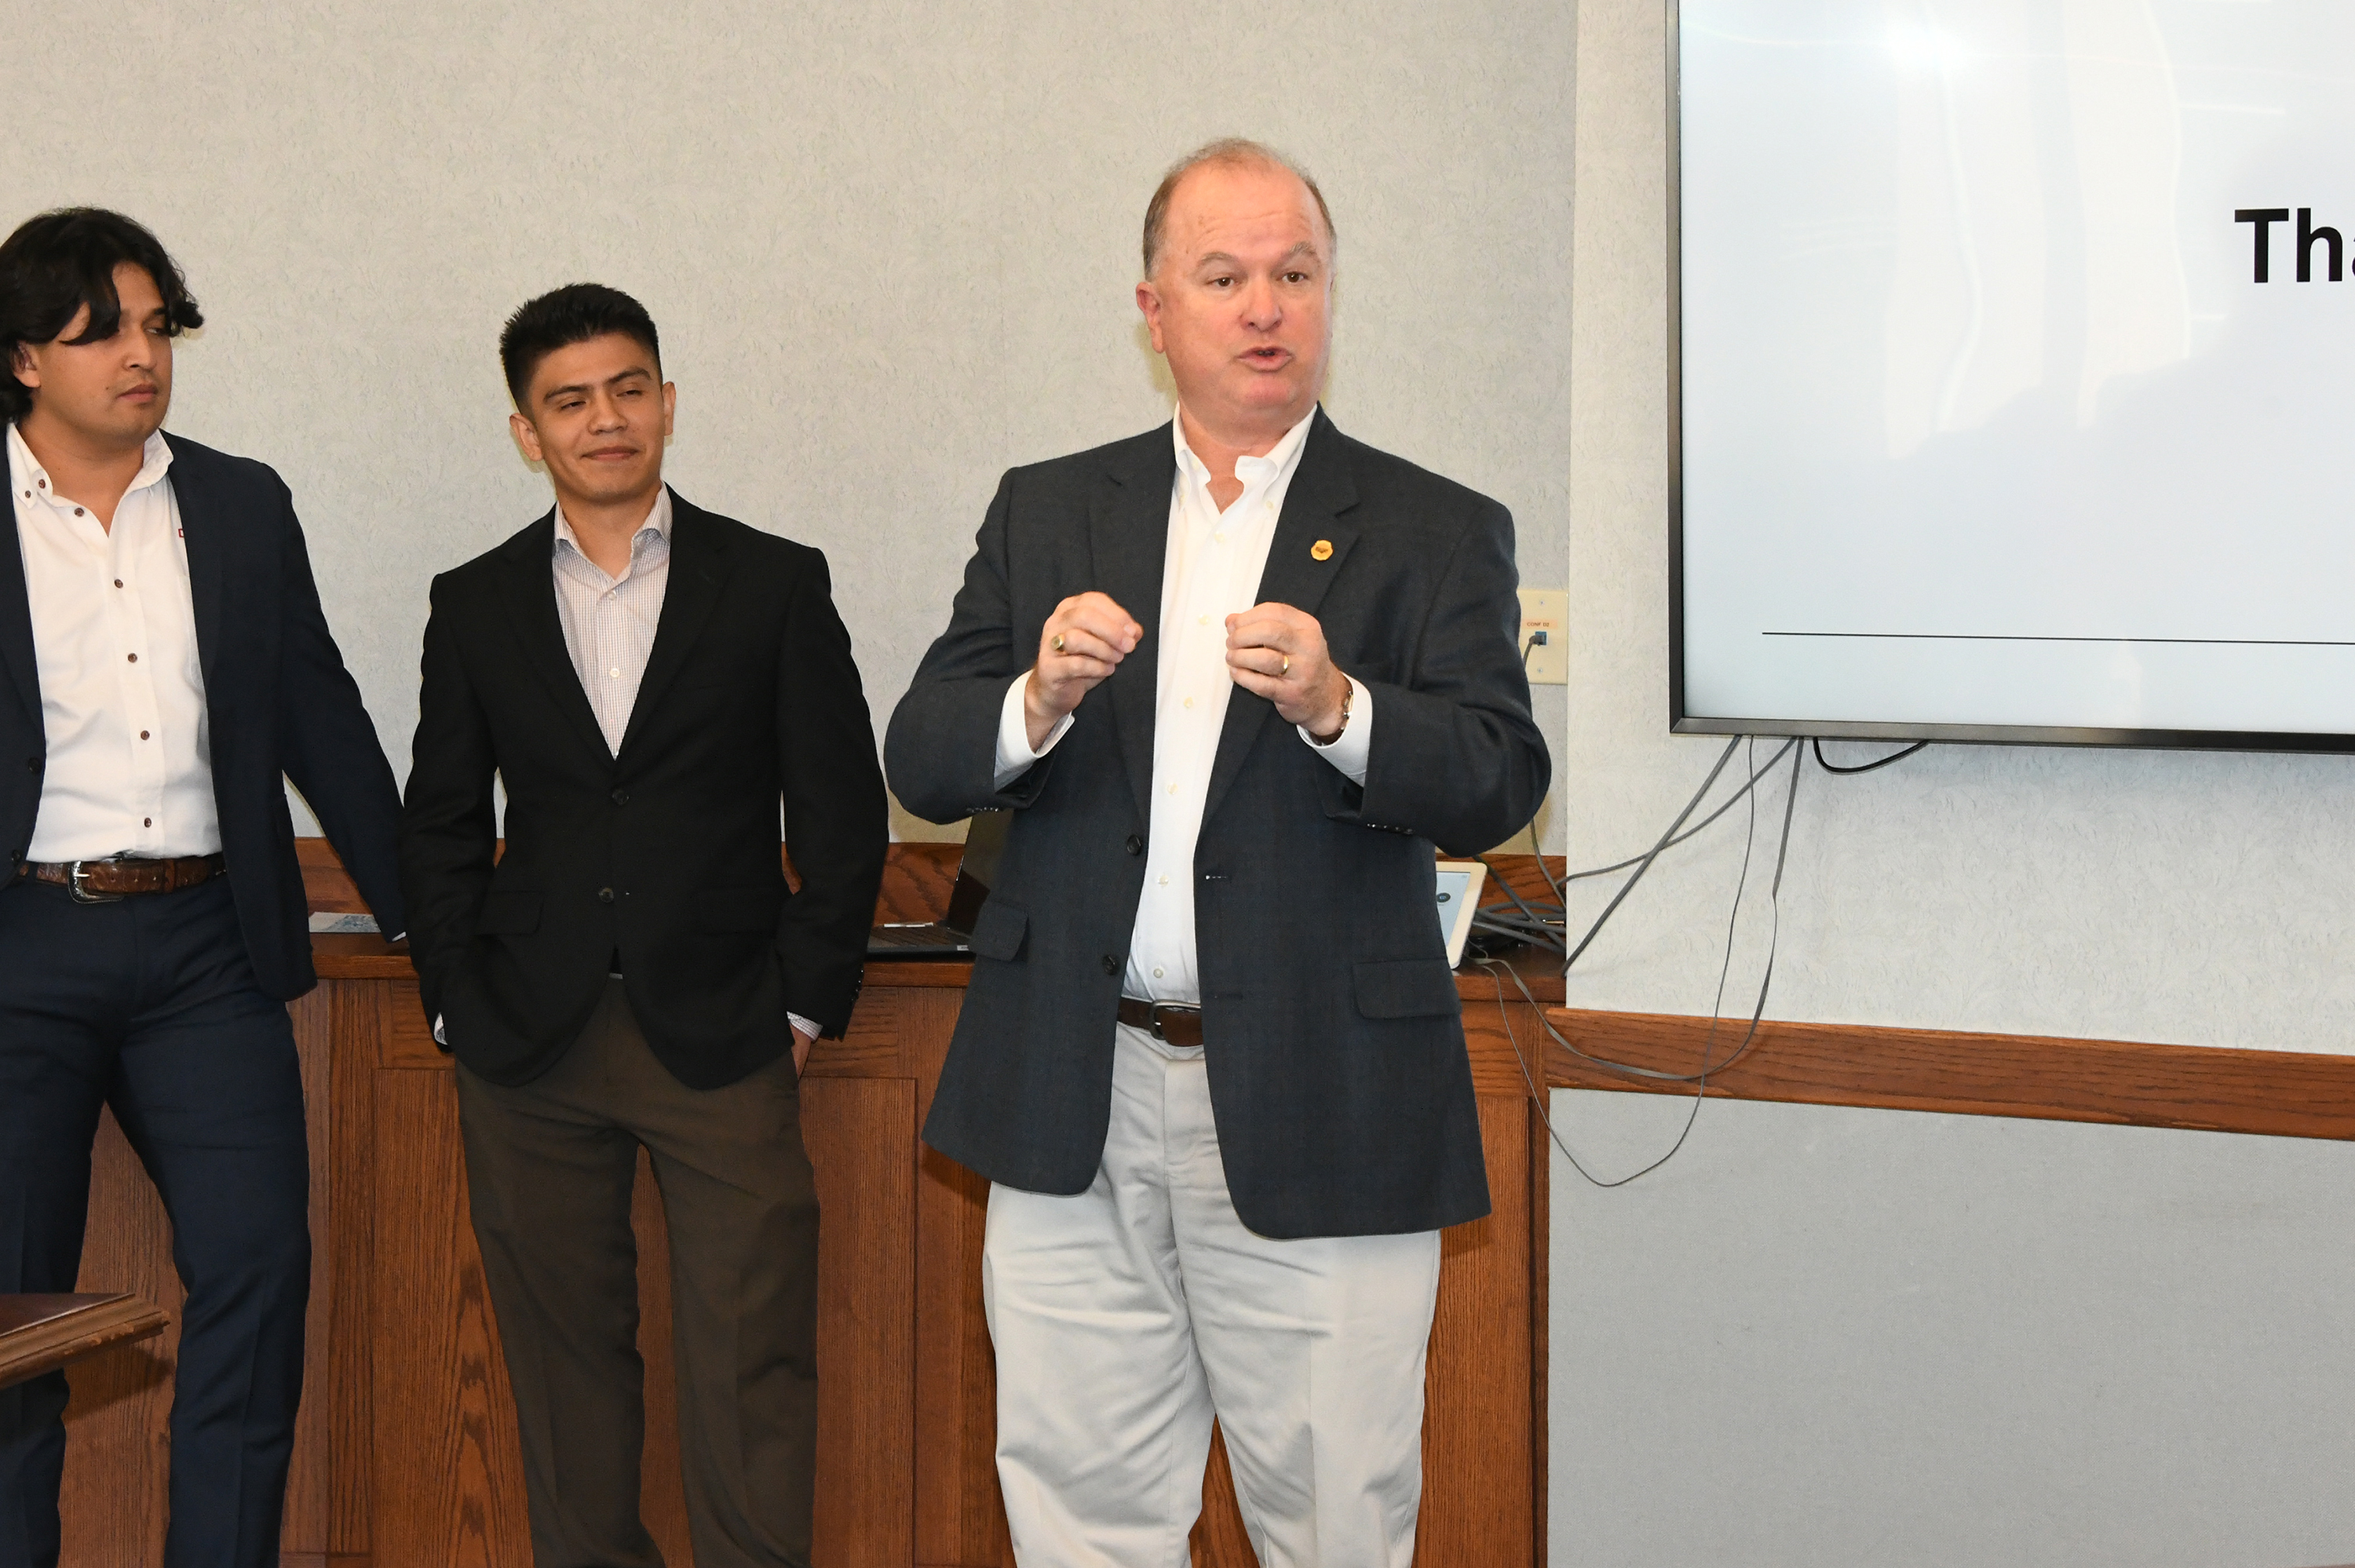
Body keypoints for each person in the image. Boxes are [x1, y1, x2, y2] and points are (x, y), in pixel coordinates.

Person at [885, 140, 1550, 1565]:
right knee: (1079, 1514)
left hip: (1330, 1096)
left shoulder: (1433, 529)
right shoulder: (1051, 506)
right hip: (1077, 1081)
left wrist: (1341, 707)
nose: (1267, 307)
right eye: (1227, 275)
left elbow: (1502, 777)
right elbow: (921, 754)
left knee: (1334, 1518)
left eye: (1296, 275)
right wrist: (1035, 700)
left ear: (1329, 295)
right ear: (1155, 308)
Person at [399, 283, 886, 1568]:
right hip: (528, 1038)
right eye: (569, 401)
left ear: (667, 402)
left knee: (750, 1359)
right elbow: (440, 819)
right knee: (563, 1374)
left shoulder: (776, 582)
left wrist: (801, 999)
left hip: (725, 1027)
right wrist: (452, 993)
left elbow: (841, 812)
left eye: (626, 389)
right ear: (527, 431)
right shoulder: (475, 599)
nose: (603, 419)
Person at [0, 209, 406, 1568]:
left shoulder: (240, 502)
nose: (141, 352)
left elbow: (320, 717)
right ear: (20, 358)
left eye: (158, 323)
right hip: (20, 948)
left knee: (258, 1273)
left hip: (206, 948)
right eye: (101, 329)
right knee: (14, 1319)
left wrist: (426, 914)